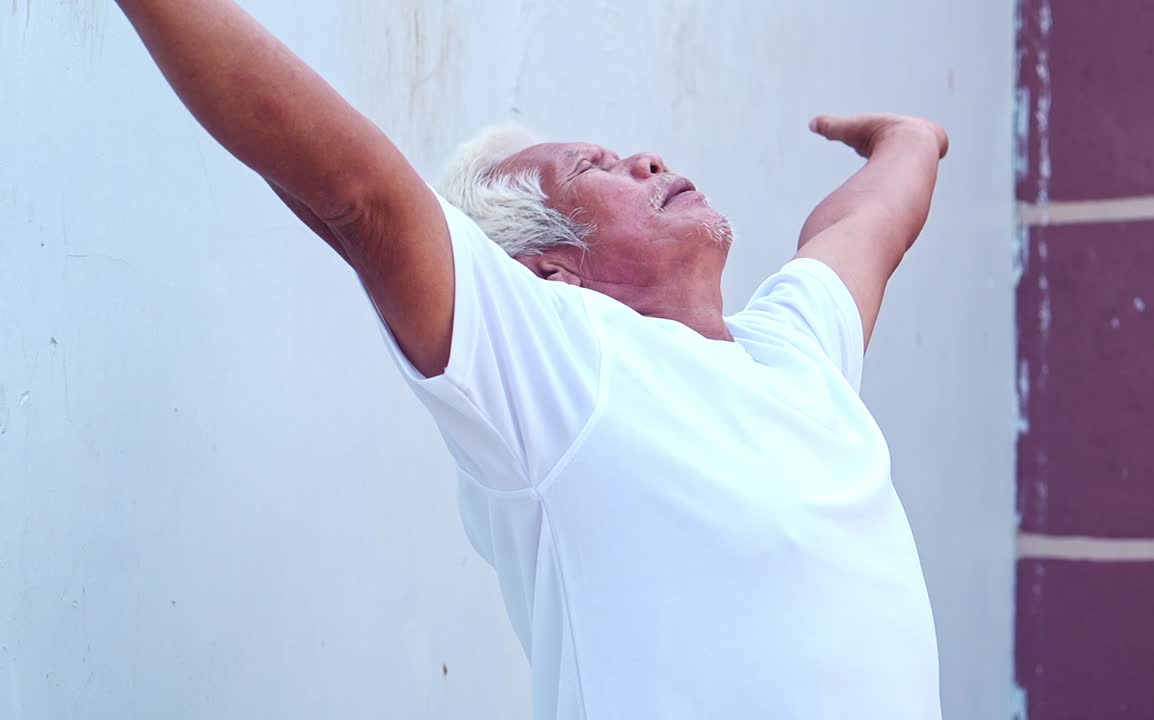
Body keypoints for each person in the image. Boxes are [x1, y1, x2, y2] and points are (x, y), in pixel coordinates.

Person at [115, 1, 950, 718]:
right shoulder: (568, 368)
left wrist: (907, 139)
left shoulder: (794, 350)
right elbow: (359, 199)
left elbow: (866, 226)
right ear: (550, 271)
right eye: (595, 168)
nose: (646, 160)